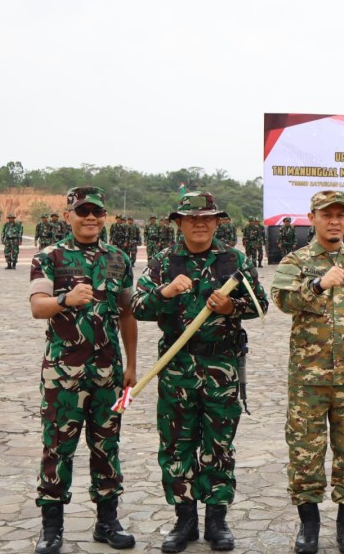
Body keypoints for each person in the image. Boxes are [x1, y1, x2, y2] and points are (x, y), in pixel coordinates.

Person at [131, 192, 268, 553]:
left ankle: (217, 519)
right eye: (192, 219)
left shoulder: (233, 260)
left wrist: (230, 306)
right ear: (179, 222)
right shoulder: (164, 261)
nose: (201, 223)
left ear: (218, 221)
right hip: (177, 366)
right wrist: (165, 292)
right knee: (177, 444)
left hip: (221, 364)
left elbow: (261, 304)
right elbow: (137, 307)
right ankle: (185, 519)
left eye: (208, 218)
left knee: (219, 443)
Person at [270, 190, 344, 554]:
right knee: (305, 451)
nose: (335, 221)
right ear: (313, 218)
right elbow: (282, 300)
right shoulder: (297, 261)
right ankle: (309, 526)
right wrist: (318, 284)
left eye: (341, 214)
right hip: (309, 379)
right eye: (327, 214)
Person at [28, 186, 138, 554]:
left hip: (108, 371)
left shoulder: (119, 258)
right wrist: (65, 299)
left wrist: (132, 364)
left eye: (97, 212)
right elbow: (38, 306)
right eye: (83, 211)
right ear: (69, 215)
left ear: (104, 216)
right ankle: (51, 527)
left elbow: (126, 314)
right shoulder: (50, 256)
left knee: (106, 445)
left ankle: (107, 521)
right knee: (57, 447)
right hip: (63, 375)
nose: (90, 217)